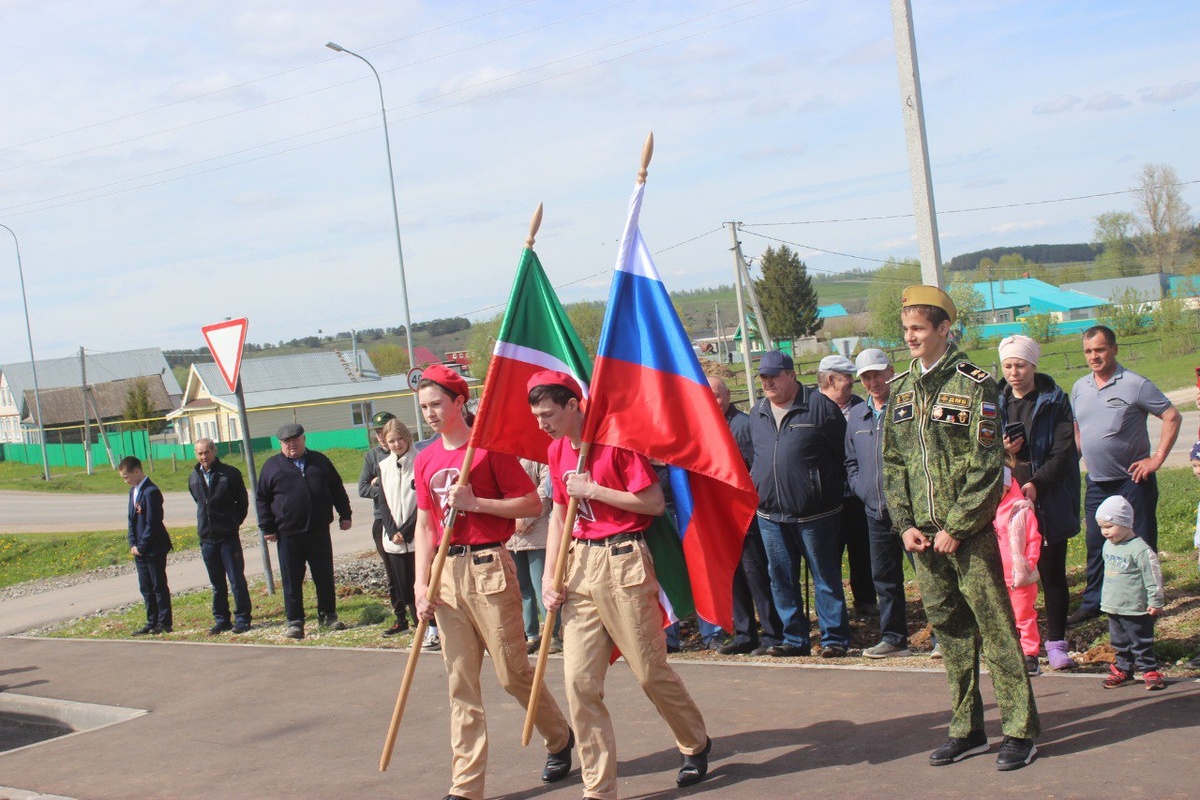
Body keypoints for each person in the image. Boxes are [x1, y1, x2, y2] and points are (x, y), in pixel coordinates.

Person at [529, 369, 711, 797]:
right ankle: (599, 788)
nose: (542, 424)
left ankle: (694, 741)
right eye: (536, 416)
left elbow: (652, 502)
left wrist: (593, 490)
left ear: (573, 405)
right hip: (579, 566)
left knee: (649, 671)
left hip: (624, 560)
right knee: (579, 683)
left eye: (548, 414)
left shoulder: (615, 442)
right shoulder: (556, 451)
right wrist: (551, 575)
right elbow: (559, 515)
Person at [881, 285, 1039, 771]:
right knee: (950, 634)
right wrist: (904, 525)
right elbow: (893, 463)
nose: (909, 337)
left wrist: (958, 525)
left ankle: (1020, 731)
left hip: (968, 537)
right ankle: (967, 730)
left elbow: (988, 465)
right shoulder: (901, 388)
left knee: (996, 630)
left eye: (917, 328)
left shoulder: (975, 384)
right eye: (905, 329)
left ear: (944, 329)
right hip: (923, 541)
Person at [412, 365, 573, 800]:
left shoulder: (488, 451)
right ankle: (465, 787)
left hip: (488, 567)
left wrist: (477, 502)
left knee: (511, 673)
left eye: (436, 404)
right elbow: (425, 525)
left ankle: (559, 736)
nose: (429, 413)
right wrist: (420, 584)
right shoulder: (425, 458)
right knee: (460, 683)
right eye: (423, 406)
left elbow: (530, 504)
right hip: (445, 575)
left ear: (458, 402)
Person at [1069, 325, 1181, 625]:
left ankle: (1147, 605)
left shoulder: (1135, 384)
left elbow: (1172, 416)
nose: (1094, 356)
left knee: (1140, 545)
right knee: (1096, 544)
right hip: (1097, 482)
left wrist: (1157, 458)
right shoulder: (1079, 387)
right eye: (1088, 351)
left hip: (1133, 482)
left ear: (1114, 349)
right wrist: (1070, 462)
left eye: (1100, 349)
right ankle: (1093, 603)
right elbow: (1079, 430)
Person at [748, 350, 851, 658]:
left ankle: (834, 638)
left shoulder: (820, 407)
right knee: (781, 579)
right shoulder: (758, 412)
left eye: (774, 376)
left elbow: (842, 454)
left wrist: (822, 489)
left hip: (816, 514)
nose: (767, 383)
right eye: (763, 377)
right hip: (770, 515)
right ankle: (794, 638)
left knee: (825, 577)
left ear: (792, 375)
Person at [995, 334, 1080, 669]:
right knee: (1013, 578)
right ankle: (1022, 645)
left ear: (1033, 365)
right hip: (1007, 501)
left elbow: (1064, 450)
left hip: (1048, 495)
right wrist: (1002, 450)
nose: (1014, 373)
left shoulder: (1055, 400)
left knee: (1051, 572)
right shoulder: (995, 401)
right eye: (1008, 366)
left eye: (1020, 365)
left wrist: (1037, 483)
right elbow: (980, 449)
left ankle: (1056, 642)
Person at [256, 423, 353, 640]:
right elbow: (262, 499)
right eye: (287, 441)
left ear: (304, 439)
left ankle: (328, 616)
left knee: (324, 576)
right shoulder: (272, 466)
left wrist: (345, 514)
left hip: (318, 531)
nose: (292, 444)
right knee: (291, 579)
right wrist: (267, 526)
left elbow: (337, 488)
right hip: (288, 534)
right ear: (280, 444)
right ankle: (295, 621)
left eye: (296, 439)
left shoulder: (320, 461)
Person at [708, 376, 782, 656]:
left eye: (717, 395)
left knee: (756, 575)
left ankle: (772, 633)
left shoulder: (742, 425)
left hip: (745, 515)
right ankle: (744, 633)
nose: (713, 401)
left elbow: (755, 469)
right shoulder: (705, 426)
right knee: (733, 576)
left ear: (728, 395)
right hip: (719, 516)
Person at [844, 349, 910, 658]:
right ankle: (894, 638)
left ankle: (944, 638)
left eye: (878, 375)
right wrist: (862, 488)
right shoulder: (858, 414)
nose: (873, 382)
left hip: (910, 510)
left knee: (930, 576)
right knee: (885, 579)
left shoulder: (907, 407)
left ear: (891, 372)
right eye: (866, 378)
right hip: (875, 511)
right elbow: (851, 460)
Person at [819, 353, 876, 617]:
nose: (853, 382)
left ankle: (865, 599)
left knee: (861, 548)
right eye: (847, 378)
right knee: (829, 554)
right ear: (831, 380)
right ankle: (834, 609)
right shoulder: (813, 408)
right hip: (826, 496)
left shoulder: (860, 407)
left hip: (856, 493)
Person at [1095, 496, 1166, 691]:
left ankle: (1149, 670)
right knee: (1119, 642)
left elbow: (1152, 576)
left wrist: (1156, 601)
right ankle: (1123, 670)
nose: (1105, 532)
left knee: (1141, 641)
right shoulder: (1108, 545)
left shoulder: (1140, 549)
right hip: (1114, 605)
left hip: (1135, 606)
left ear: (1125, 523)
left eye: (1109, 526)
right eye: (1101, 527)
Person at [188, 438, 251, 635]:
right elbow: (199, 502)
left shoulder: (229, 473)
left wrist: (232, 523)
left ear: (214, 451)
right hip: (207, 539)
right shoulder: (193, 476)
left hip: (228, 538)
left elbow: (242, 503)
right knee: (217, 583)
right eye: (200, 453)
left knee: (236, 580)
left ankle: (242, 619)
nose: (204, 457)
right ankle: (222, 619)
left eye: (207, 452)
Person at [358, 410, 409, 635]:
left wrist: (385, 484)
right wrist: (384, 490)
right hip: (383, 520)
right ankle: (400, 617)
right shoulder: (373, 456)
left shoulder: (410, 453)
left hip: (409, 519)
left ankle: (426, 620)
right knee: (392, 573)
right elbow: (362, 488)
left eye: (384, 431)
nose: (381, 436)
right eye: (378, 432)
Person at [508, 458, 562, 654]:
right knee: (521, 588)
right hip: (511, 535)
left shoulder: (536, 456)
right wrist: (511, 519)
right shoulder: (501, 456)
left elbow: (545, 490)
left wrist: (525, 517)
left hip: (538, 532)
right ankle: (530, 634)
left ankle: (552, 634)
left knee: (542, 586)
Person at [994, 471, 1043, 676]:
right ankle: (1008, 653)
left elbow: (1033, 539)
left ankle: (1030, 654)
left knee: (1024, 616)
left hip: (1019, 576)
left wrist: (1028, 563)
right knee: (1001, 617)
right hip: (996, 576)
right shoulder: (986, 509)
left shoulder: (1021, 508)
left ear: (1007, 485)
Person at [374, 418, 418, 637]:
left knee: (423, 584)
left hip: (417, 536)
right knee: (404, 586)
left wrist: (408, 530)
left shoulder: (420, 461)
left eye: (400, 439)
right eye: (391, 441)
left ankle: (431, 628)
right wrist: (392, 532)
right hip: (395, 539)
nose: (397, 444)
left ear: (407, 438)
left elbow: (424, 502)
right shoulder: (384, 466)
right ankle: (415, 624)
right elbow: (383, 502)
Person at [120, 456, 173, 636]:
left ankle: (164, 622)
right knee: (146, 587)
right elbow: (131, 521)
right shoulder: (133, 492)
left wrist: (142, 546)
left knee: (158, 586)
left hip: (154, 547)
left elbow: (153, 522)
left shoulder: (151, 491)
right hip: (139, 549)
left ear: (136, 471)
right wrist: (133, 543)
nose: (125, 481)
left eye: (126, 477)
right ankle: (151, 621)